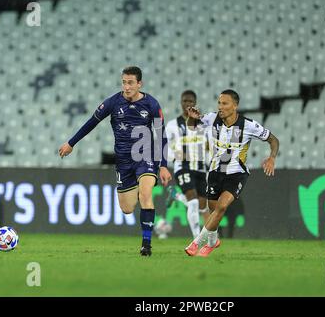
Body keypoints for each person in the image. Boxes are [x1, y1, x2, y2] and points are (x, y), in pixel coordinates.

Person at [58, 66, 172, 256]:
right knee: (127, 208)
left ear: (139, 84)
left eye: (130, 83)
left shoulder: (152, 104)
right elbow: (91, 122)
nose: (126, 87)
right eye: (124, 82)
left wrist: (163, 166)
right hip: (123, 161)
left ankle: (146, 244)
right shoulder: (113, 102)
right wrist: (71, 143)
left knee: (145, 194)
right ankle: (148, 209)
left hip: (145, 158)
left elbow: (161, 136)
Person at [184, 89, 279, 257]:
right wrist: (191, 116)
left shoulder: (249, 125)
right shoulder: (212, 118)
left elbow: (273, 139)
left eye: (225, 103)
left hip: (237, 173)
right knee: (214, 212)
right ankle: (213, 242)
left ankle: (196, 243)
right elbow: (191, 127)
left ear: (235, 106)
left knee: (221, 206)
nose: (220, 106)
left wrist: (271, 158)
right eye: (219, 103)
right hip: (215, 172)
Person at [165, 90, 210, 240]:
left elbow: (208, 146)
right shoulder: (172, 125)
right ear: (181, 102)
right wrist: (176, 155)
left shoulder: (203, 124)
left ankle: (176, 195)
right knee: (194, 202)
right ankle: (196, 241)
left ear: (195, 103)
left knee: (202, 206)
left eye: (191, 101)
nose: (188, 104)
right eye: (185, 101)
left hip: (200, 168)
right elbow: (165, 149)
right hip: (182, 166)